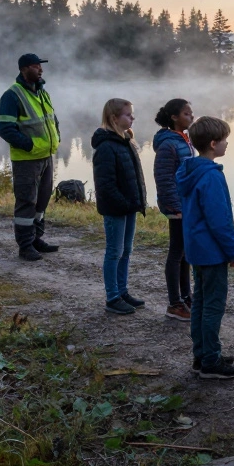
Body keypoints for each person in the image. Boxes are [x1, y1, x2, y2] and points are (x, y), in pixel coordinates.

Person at [175, 116, 234, 380]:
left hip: (196, 250)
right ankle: (211, 361)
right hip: (213, 251)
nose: (227, 144)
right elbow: (220, 220)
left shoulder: (189, 171)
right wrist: (233, 250)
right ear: (214, 144)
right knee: (213, 305)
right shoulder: (211, 176)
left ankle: (202, 354)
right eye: (225, 139)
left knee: (201, 303)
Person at [0, 53, 60, 261]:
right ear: (24, 69)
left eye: (41, 66)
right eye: (35, 66)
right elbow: (5, 128)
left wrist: (56, 137)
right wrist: (30, 145)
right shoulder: (12, 95)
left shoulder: (43, 92)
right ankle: (25, 246)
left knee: (42, 200)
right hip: (27, 159)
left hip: (46, 156)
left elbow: (53, 119)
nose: (40, 70)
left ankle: (35, 239)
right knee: (26, 202)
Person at [92, 99, 147, 315]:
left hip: (128, 207)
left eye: (132, 114)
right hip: (116, 209)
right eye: (127, 115)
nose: (132, 118)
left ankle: (122, 291)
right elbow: (105, 184)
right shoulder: (106, 146)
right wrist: (124, 203)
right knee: (114, 251)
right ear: (114, 118)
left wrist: (136, 202)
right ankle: (112, 297)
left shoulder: (125, 141)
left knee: (126, 250)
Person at [153, 99, 195, 321]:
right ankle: (174, 303)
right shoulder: (168, 144)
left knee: (186, 252)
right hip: (176, 205)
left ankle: (187, 297)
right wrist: (173, 206)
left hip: (186, 204)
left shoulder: (185, 140)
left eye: (191, 113)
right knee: (176, 252)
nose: (191, 117)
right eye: (187, 114)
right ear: (174, 117)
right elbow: (163, 178)